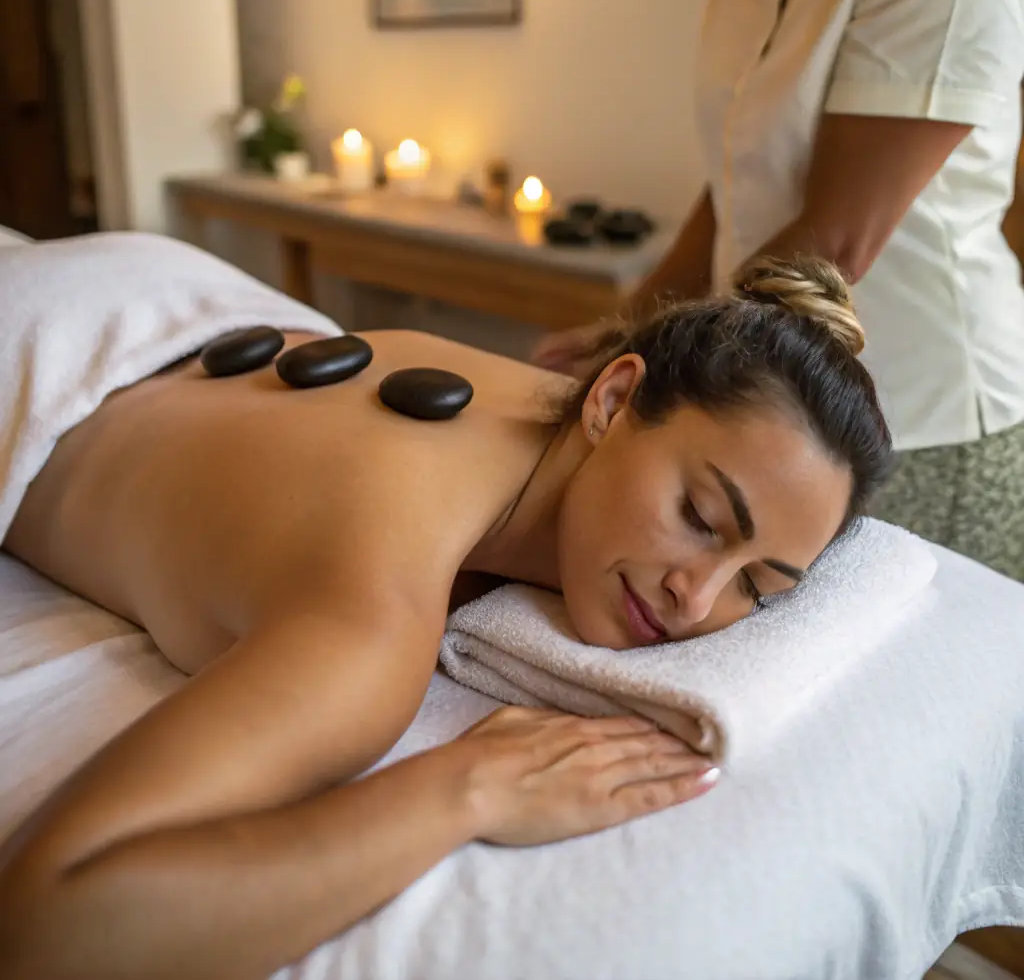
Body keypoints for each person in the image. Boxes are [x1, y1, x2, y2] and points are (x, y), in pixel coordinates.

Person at [0, 232, 889, 978]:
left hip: (169, 286)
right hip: (50, 337)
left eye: (758, 587)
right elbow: (50, 918)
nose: (695, 598)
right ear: (613, 398)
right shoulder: (370, 614)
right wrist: (466, 787)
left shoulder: (553, 402)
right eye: (699, 516)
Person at [535, 0, 1024, 583]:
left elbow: (835, 239)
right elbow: (739, 181)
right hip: (770, 408)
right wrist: (627, 323)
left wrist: (649, 364)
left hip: (922, 423)